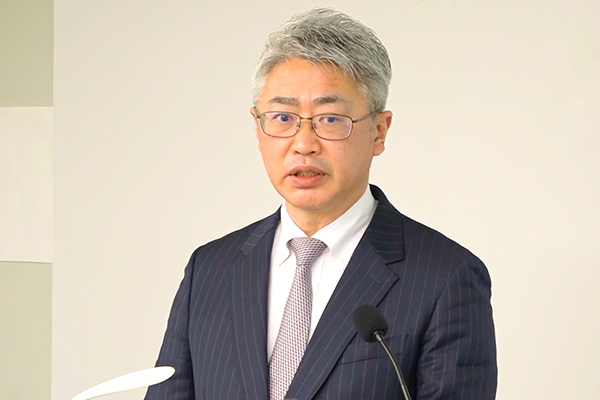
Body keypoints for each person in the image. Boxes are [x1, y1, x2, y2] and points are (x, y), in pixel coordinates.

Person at [145, 8, 497, 400]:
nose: (303, 144)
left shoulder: (445, 278)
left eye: (330, 119)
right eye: (282, 117)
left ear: (379, 132)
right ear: (258, 128)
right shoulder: (210, 271)